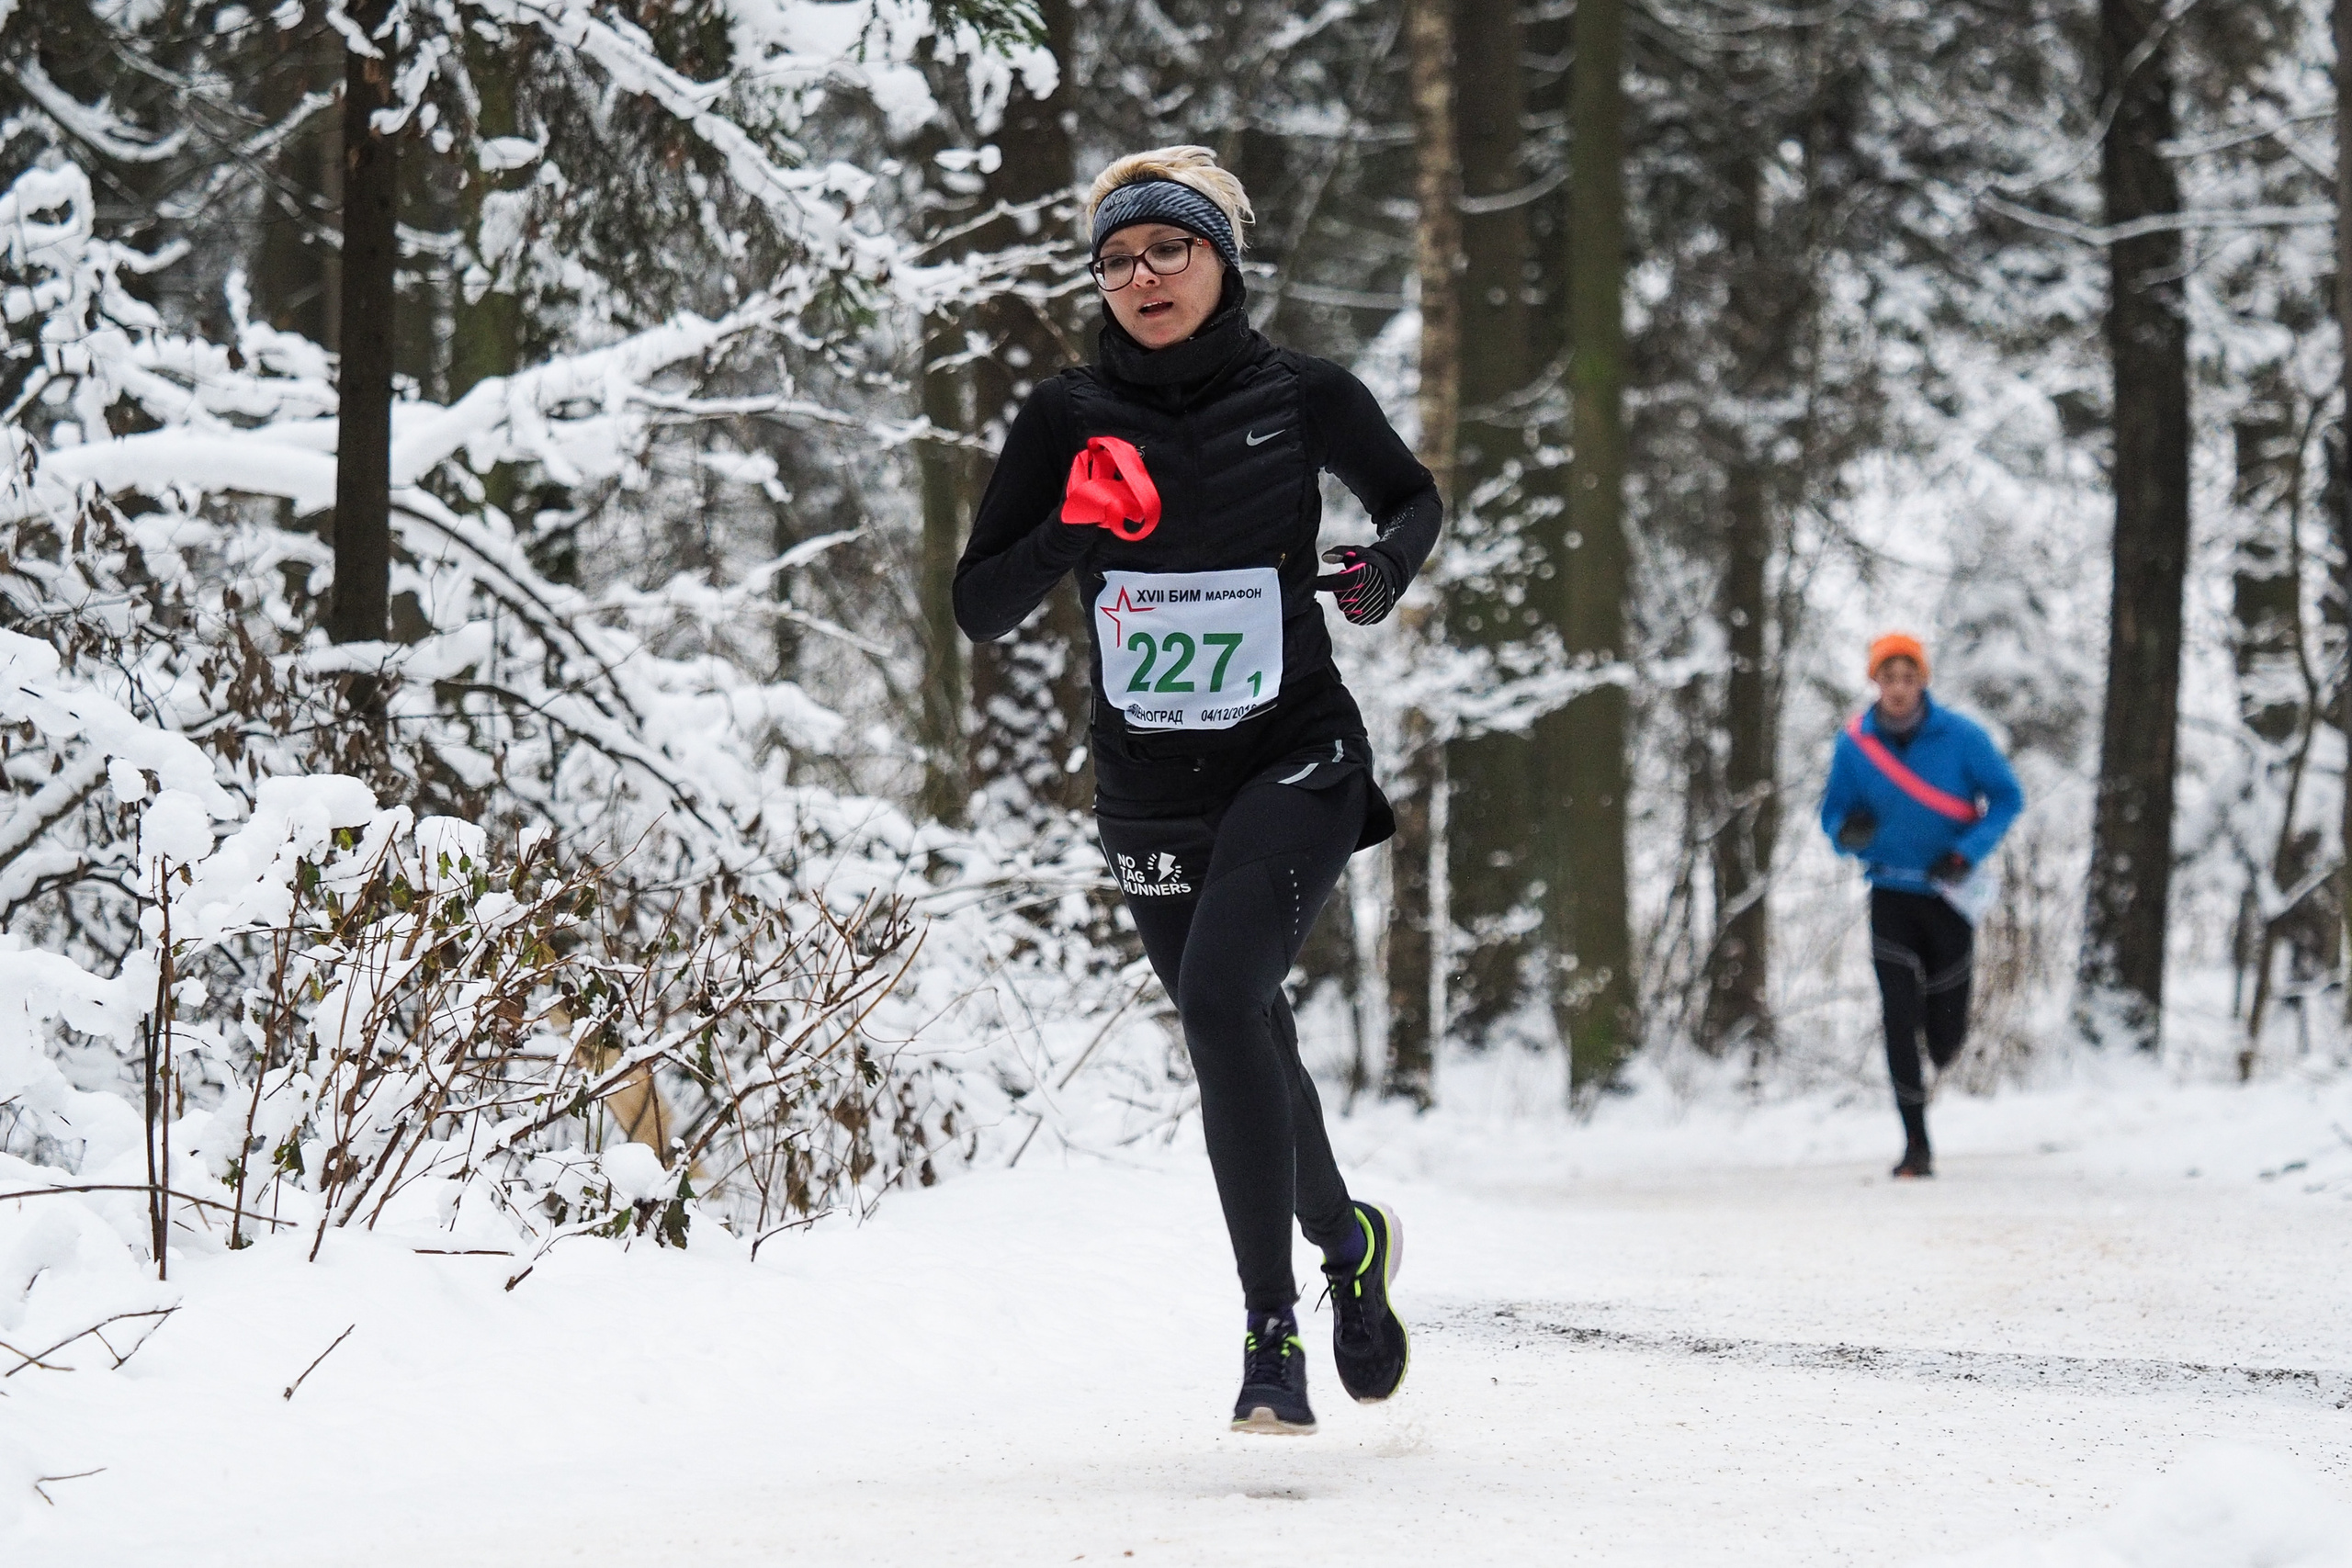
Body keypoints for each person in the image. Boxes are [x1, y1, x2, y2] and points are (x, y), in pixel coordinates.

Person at [955, 146, 1435, 1435]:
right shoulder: (1065, 417)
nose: (1142, 278)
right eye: (1116, 259)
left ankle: (1268, 1332)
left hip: (1296, 752)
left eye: (1168, 249)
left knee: (1224, 996)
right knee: (1244, 1031)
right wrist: (1070, 529)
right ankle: (1350, 1245)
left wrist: (1381, 570)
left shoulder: (1304, 393)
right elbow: (977, 604)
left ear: (1222, 258)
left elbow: (1411, 495)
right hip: (1148, 783)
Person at [1819, 633, 2024, 1179]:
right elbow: (1833, 814)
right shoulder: (1855, 746)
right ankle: (1915, 1144)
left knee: (1946, 1033)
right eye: (1890, 678)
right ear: (1876, 682)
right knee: (1897, 1017)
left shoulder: (1961, 737)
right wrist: (1848, 831)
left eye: (1910, 678)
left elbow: (2008, 797)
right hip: (1890, 891)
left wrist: (1966, 853)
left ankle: (1944, 1046)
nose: (1900, 689)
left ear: (1923, 681)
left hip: (1949, 894)